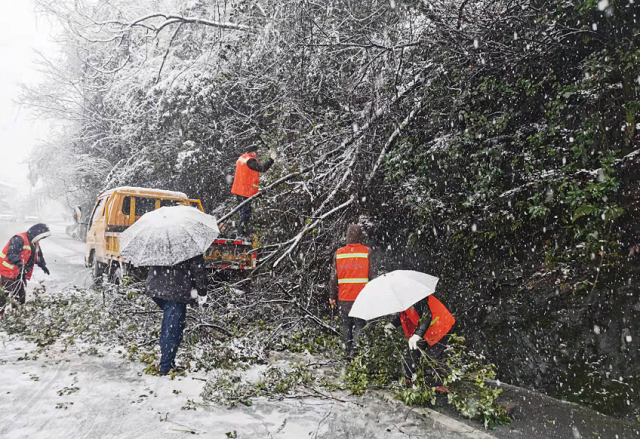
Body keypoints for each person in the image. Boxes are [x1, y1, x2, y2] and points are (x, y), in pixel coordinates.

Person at [145, 255, 208, 376]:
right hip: (175, 290)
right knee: (173, 327)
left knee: (172, 324)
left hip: (156, 288)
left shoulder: (161, 241)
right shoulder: (189, 245)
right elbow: (198, 269)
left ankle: (168, 361)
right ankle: (166, 366)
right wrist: (202, 291)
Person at [329, 224, 377, 358]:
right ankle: (355, 353)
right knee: (359, 324)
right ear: (360, 236)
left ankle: (346, 352)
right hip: (362, 297)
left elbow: (333, 278)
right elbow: (373, 276)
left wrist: (332, 296)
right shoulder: (367, 252)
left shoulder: (339, 253)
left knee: (346, 325)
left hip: (344, 297)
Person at [386, 295, 455, 384]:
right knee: (412, 351)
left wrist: (417, 335)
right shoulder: (405, 300)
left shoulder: (416, 297)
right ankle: (409, 378)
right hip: (426, 329)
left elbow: (426, 316)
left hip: (441, 326)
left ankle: (441, 384)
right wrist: (393, 324)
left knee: (433, 357)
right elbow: (407, 314)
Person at [0, 223, 51, 312]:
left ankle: (17, 312)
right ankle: (1, 313)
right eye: (41, 237)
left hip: (20, 272)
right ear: (36, 234)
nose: (41, 239)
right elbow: (11, 254)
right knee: (4, 294)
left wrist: (42, 265)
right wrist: (20, 264)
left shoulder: (34, 243)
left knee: (20, 295)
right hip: (8, 271)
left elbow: (37, 255)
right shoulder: (19, 239)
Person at [230, 144, 277, 238]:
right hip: (245, 191)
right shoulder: (250, 161)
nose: (257, 155)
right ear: (252, 152)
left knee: (244, 212)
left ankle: (243, 232)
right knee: (246, 213)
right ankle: (241, 234)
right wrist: (271, 159)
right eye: (256, 152)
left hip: (239, 189)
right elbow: (262, 169)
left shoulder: (242, 158)